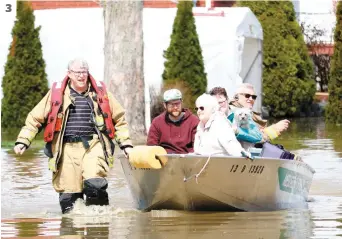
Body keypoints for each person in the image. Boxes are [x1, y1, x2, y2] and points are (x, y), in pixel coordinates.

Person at [13, 58, 134, 214]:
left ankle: (99, 227)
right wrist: (23, 141)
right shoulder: (56, 95)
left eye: (84, 72)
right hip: (66, 150)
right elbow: (34, 118)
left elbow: (120, 120)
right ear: (69, 73)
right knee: (69, 200)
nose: (81, 76)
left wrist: (126, 145)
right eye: (77, 72)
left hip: (94, 145)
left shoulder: (101, 93)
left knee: (95, 186)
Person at [147, 89, 199, 154]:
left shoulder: (193, 121)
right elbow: (151, 147)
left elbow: (198, 147)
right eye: (171, 104)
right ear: (165, 105)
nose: (175, 107)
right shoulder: (157, 122)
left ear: (181, 102)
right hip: (165, 160)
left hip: (187, 160)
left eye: (177, 104)